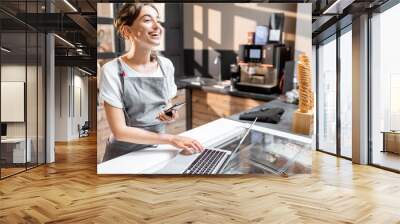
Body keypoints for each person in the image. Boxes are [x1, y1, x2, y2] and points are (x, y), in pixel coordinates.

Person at [100, 3, 204, 162]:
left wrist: (169, 113)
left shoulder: (166, 65)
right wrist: (171, 139)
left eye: (158, 21)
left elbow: (166, 104)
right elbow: (120, 131)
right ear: (127, 30)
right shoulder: (111, 70)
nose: (158, 26)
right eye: (148, 20)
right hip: (122, 156)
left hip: (156, 150)